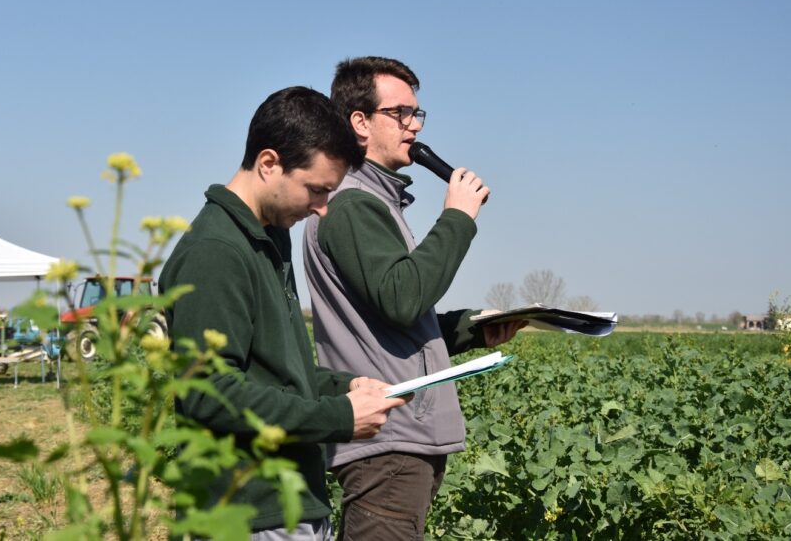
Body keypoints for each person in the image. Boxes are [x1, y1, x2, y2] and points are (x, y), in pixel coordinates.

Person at [160, 86, 408, 540]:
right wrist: (338, 419)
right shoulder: (215, 251)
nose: (322, 208)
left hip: (290, 506)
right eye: (316, 190)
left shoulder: (268, 239)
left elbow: (274, 374)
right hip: (247, 513)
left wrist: (344, 387)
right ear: (269, 163)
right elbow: (208, 394)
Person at [303, 57, 522, 540]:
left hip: (398, 442)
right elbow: (403, 299)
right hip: (388, 440)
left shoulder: (374, 202)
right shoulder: (353, 204)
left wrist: (474, 328)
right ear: (360, 122)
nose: (414, 125)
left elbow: (394, 322)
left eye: (417, 113)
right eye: (400, 113)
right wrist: (458, 219)